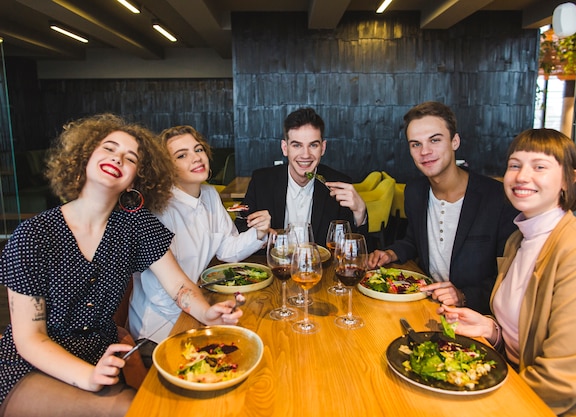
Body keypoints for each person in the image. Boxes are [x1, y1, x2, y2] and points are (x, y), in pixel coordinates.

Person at [0, 114, 243, 417]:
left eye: (130, 158)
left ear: (136, 178)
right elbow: (29, 338)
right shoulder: (34, 235)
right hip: (35, 366)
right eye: (109, 149)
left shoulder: (135, 225)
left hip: (103, 358)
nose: (118, 159)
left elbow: (178, 285)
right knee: (131, 409)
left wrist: (207, 312)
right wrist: (87, 376)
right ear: (84, 157)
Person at [439, 128, 576, 416]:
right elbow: (526, 336)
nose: (522, 176)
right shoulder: (519, 240)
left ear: (568, 179)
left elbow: (562, 383)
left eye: (540, 166)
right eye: (515, 165)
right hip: (519, 387)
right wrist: (492, 330)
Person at [368, 102, 518, 314]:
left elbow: (510, 276)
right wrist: (392, 253)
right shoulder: (415, 192)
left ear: (454, 141)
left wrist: (463, 296)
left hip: (478, 317)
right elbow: (415, 240)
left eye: (435, 140)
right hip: (427, 305)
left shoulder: (497, 198)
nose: (425, 152)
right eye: (415, 144)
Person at [129, 125, 270, 350]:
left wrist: (259, 232)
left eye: (198, 149)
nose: (196, 158)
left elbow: (227, 250)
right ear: (166, 168)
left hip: (197, 307)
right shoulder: (159, 209)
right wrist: (201, 315)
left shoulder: (210, 194)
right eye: (182, 155)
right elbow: (160, 293)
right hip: (160, 328)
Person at [235, 107, 368, 247]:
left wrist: (360, 213)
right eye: (297, 145)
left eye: (313, 145)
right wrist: (260, 237)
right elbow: (241, 227)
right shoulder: (261, 181)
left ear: (323, 148)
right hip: (273, 266)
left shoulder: (339, 183)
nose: (305, 155)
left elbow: (354, 251)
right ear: (285, 148)